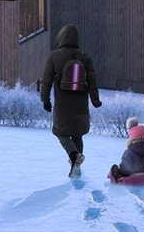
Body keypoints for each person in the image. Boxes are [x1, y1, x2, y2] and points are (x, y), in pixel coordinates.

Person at [41, 24, 101, 177]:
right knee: (77, 133)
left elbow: (46, 81)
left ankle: (74, 156)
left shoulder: (54, 56)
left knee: (60, 132)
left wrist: (45, 100)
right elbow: (93, 80)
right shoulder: (84, 57)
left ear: (61, 38)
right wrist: (95, 99)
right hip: (80, 104)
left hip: (63, 105)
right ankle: (77, 166)